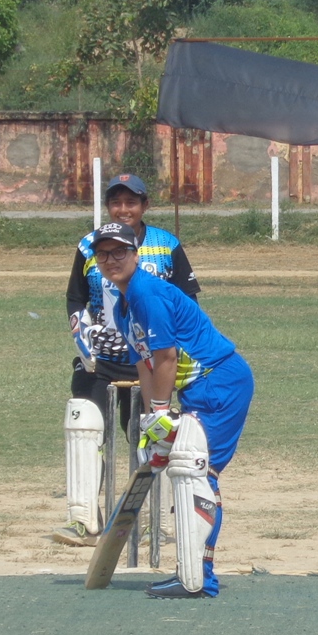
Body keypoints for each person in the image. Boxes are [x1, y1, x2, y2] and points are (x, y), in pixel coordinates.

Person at [91, 221, 254, 599]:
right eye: (103, 254)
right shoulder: (125, 306)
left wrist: (163, 411)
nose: (111, 260)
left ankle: (198, 579)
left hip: (219, 380)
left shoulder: (147, 293)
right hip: (202, 387)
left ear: (136, 255)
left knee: (196, 473)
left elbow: (167, 358)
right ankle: (193, 574)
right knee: (190, 471)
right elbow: (145, 365)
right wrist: (151, 421)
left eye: (119, 252)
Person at [54, 174, 199, 547]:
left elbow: (187, 301)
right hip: (101, 361)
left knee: (153, 432)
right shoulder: (89, 245)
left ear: (144, 205)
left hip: (152, 362)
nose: (123, 209)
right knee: (84, 425)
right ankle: (83, 520)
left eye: (131, 202)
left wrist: (174, 351)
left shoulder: (165, 245)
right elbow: (75, 298)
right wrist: (84, 336)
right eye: (116, 203)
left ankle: (155, 523)